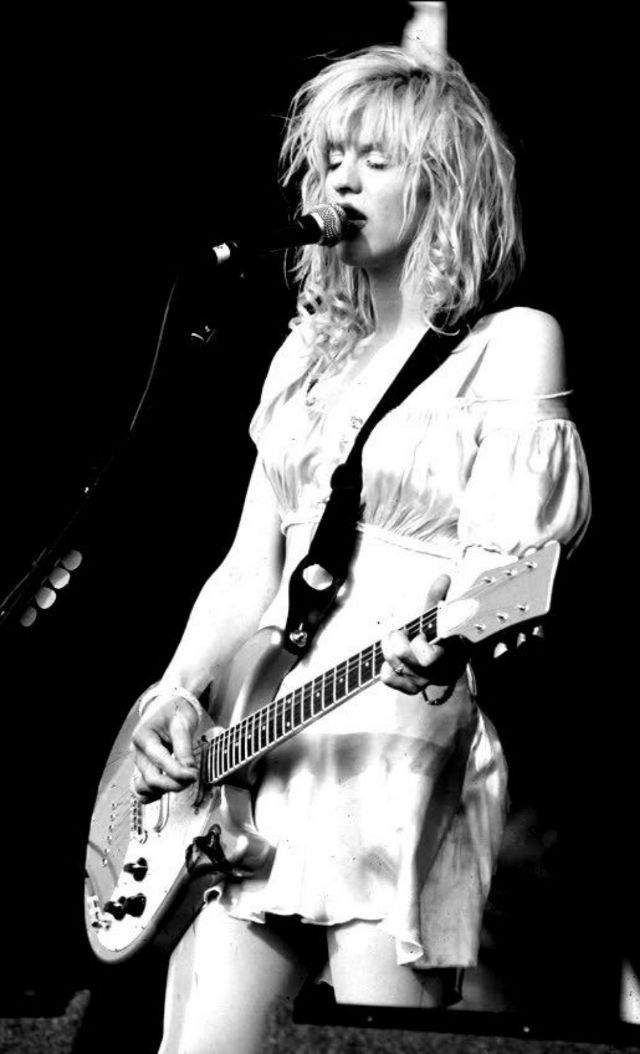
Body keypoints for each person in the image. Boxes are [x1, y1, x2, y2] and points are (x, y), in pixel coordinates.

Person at [130, 45, 591, 1054]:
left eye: (372, 158)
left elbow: (522, 570)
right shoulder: (303, 353)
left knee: (375, 1040)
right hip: (255, 739)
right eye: (329, 155)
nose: (338, 178)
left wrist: (459, 629)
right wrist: (171, 691)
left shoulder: (507, 343)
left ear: (443, 179)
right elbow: (249, 564)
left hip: (392, 734)